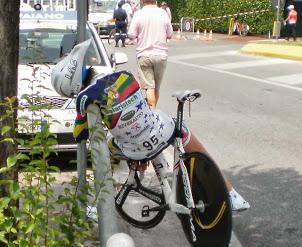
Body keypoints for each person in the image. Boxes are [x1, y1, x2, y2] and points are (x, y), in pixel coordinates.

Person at [50, 40, 250, 212]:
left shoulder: (85, 98)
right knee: (184, 132)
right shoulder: (124, 75)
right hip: (160, 132)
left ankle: (104, 204)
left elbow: (80, 134)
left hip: (131, 149)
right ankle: (231, 195)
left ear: (73, 88)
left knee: (107, 152)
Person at [127, 0, 173, 111]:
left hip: (144, 55)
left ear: (142, 1)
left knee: (149, 88)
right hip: (161, 55)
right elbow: (170, 34)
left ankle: (151, 115)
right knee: (156, 88)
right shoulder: (163, 13)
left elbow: (131, 34)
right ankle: (153, 112)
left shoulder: (139, 14)